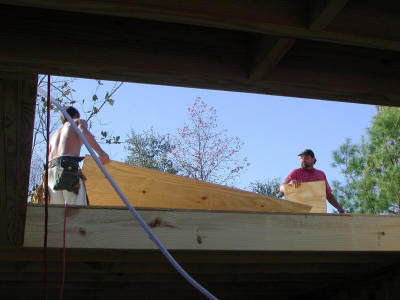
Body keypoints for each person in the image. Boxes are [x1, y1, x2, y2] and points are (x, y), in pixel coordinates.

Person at [48, 106, 110, 205]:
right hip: (67, 167)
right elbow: (84, 133)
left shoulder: (55, 134)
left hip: (50, 171)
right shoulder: (77, 121)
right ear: (76, 115)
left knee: (56, 212)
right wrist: (101, 153)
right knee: (76, 209)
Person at [280, 149, 344, 213]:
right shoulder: (295, 172)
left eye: (306, 157)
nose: (303, 160)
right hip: (298, 213)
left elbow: (328, 195)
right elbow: (281, 188)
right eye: (301, 158)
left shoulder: (320, 174)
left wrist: (339, 207)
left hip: (317, 213)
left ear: (313, 159)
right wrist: (289, 185)